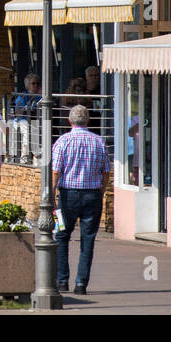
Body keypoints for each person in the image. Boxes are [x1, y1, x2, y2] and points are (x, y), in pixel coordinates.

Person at [52, 104, 112, 296]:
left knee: (61, 235)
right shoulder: (99, 141)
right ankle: (81, 283)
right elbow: (106, 172)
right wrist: (101, 191)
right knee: (88, 239)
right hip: (92, 195)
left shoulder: (62, 141)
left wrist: (50, 195)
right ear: (88, 121)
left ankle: (62, 281)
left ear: (70, 121)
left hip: (67, 195)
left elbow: (56, 171)